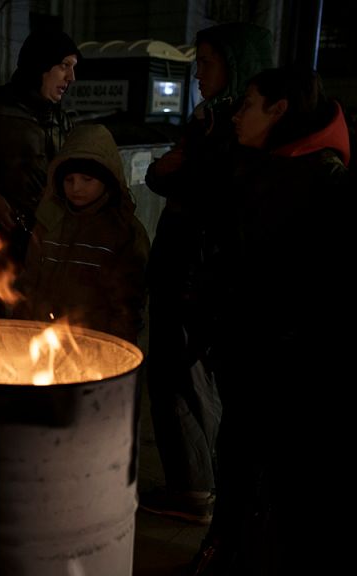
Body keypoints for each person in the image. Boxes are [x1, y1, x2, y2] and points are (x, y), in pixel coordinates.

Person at [195, 66, 350, 575]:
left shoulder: (322, 179)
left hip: (284, 359)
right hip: (248, 347)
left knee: (276, 466)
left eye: (249, 104)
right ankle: (230, 542)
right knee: (237, 451)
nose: (238, 114)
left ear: (280, 110)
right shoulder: (260, 162)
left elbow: (310, 286)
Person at [141, 23, 272, 528]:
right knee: (177, 374)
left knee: (183, 375)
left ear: (236, 65)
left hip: (195, 271)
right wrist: (170, 170)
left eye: (209, 62)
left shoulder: (232, 128)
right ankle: (193, 481)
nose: (199, 73)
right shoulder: (208, 120)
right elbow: (161, 174)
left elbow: (191, 182)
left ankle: (194, 487)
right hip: (182, 264)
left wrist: (177, 170)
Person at [0, 28, 80, 265]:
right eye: (64, 65)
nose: (71, 77)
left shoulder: (62, 120)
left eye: (73, 67)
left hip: (46, 245)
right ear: (41, 65)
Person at [14, 124, 149, 344]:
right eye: (69, 180)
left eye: (87, 180)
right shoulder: (50, 223)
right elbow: (29, 282)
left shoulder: (123, 231)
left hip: (95, 345)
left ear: (107, 180)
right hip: (44, 343)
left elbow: (127, 305)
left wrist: (116, 351)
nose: (76, 187)